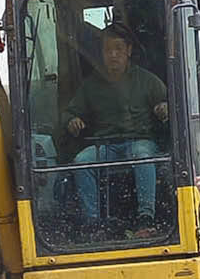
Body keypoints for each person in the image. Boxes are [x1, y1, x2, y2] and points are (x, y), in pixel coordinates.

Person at [65, 22, 170, 229]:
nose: (113, 55)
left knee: (142, 155)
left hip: (140, 142)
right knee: (81, 161)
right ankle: (93, 222)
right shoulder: (91, 85)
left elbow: (170, 104)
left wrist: (164, 108)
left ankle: (145, 218)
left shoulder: (147, 81)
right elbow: (70, 112)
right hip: (106, 147)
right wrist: (71, 120)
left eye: (118, 49)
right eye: (108, 50)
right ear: (102, 53)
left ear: (129, 51)